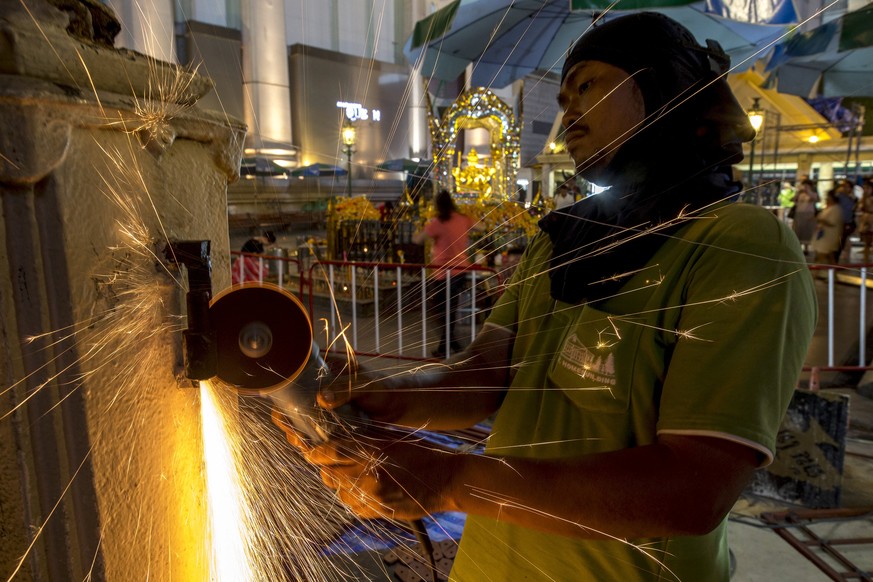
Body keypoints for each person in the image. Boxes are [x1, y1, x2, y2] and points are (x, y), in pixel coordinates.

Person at [277, 13, 816, 581]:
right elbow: (487, 372)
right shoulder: (564, 236)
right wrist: (387, 392)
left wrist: (454, 480)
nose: (569, 112)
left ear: (663, 89)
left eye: (587, 85)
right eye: (563, 96)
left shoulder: (739, 246)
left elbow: (692, 489)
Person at [412, 189, 476, 358]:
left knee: (443, 311)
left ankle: (448, 346)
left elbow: (417, 239)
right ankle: (448, 345)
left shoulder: (438, 223)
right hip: (461, 270)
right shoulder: (462, 219)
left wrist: (418, 230)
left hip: (443, 272)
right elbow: (481, 226)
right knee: (449, 309)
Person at [812, 189, 845, 266]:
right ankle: (834, 275)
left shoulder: (836, 209)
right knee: (830, 257)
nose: (826, 199)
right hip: (824, 235)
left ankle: (814, 275)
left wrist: (821, 220)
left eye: (828, 197)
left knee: (821, 255)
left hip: (829, 235)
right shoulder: (829, 208)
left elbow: (832, 223)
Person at [791, 178, 820, 253]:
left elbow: (815, 199)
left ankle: (806, 248)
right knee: (798, 230)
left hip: (809, 214)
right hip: (799, 213)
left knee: (807, 231)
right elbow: (793, 199)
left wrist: (808, 191)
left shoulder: (813, 193)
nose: (805, 187)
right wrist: (798, 192)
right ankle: (799, 247)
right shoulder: (800, 193)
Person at [835, 178, 857, 262]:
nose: (845, 188)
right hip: (839, 221)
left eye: (847, 187)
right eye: (844, 186)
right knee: (839, 241)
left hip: (847, 221)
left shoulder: (853, 198)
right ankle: (837, 259)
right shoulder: (839, 196)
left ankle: (839, 259)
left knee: (843, 240)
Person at [858, 176, 873, 262]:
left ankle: (866, 259)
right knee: (867, 241)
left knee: (868, 241)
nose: (865, 189)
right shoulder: (864, 198)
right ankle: (866, 259)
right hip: (867, 219)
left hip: (870, 219)